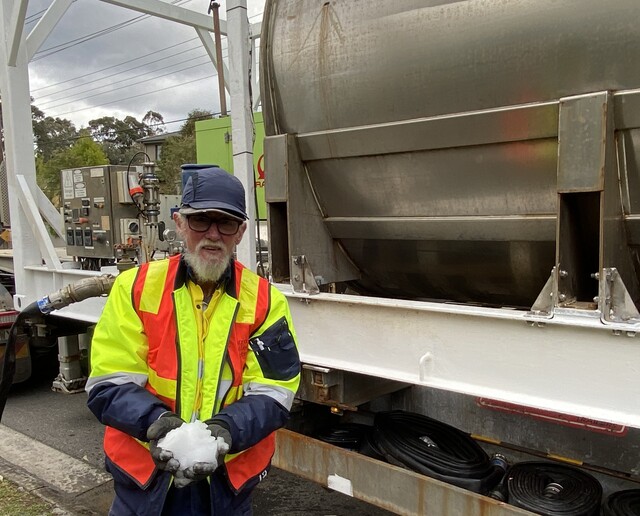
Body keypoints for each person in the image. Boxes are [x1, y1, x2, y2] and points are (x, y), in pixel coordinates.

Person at [86, 166, 301, 515]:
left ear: (241, 232)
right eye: (200, 220)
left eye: (226, 223)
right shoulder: (136, 288)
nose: (212, 235)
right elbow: (109, 383)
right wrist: (157, 424)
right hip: (145, 479)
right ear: (180, 223)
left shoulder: (265, 301)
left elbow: (275, 392)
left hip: (225, 485)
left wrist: (225, 431)